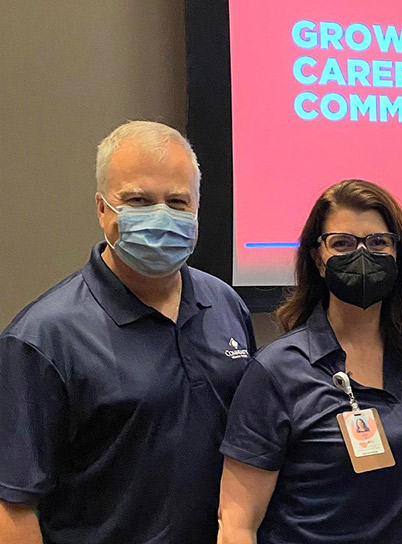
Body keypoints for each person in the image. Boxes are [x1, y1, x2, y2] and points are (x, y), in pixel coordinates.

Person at [0, 121, 256, 543]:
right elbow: (14, 506)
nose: (161, 215)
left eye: (177, 201)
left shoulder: (225, 305)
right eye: (138, 200)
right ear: (102, 208)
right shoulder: (42, 339)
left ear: (197, 208)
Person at [217, 179, 402, 544]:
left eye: (378, 243)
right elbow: (237, 524)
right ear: (318, 259)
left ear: (398, 254)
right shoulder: (278, 371)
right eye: (342, 244)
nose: (362, 255)